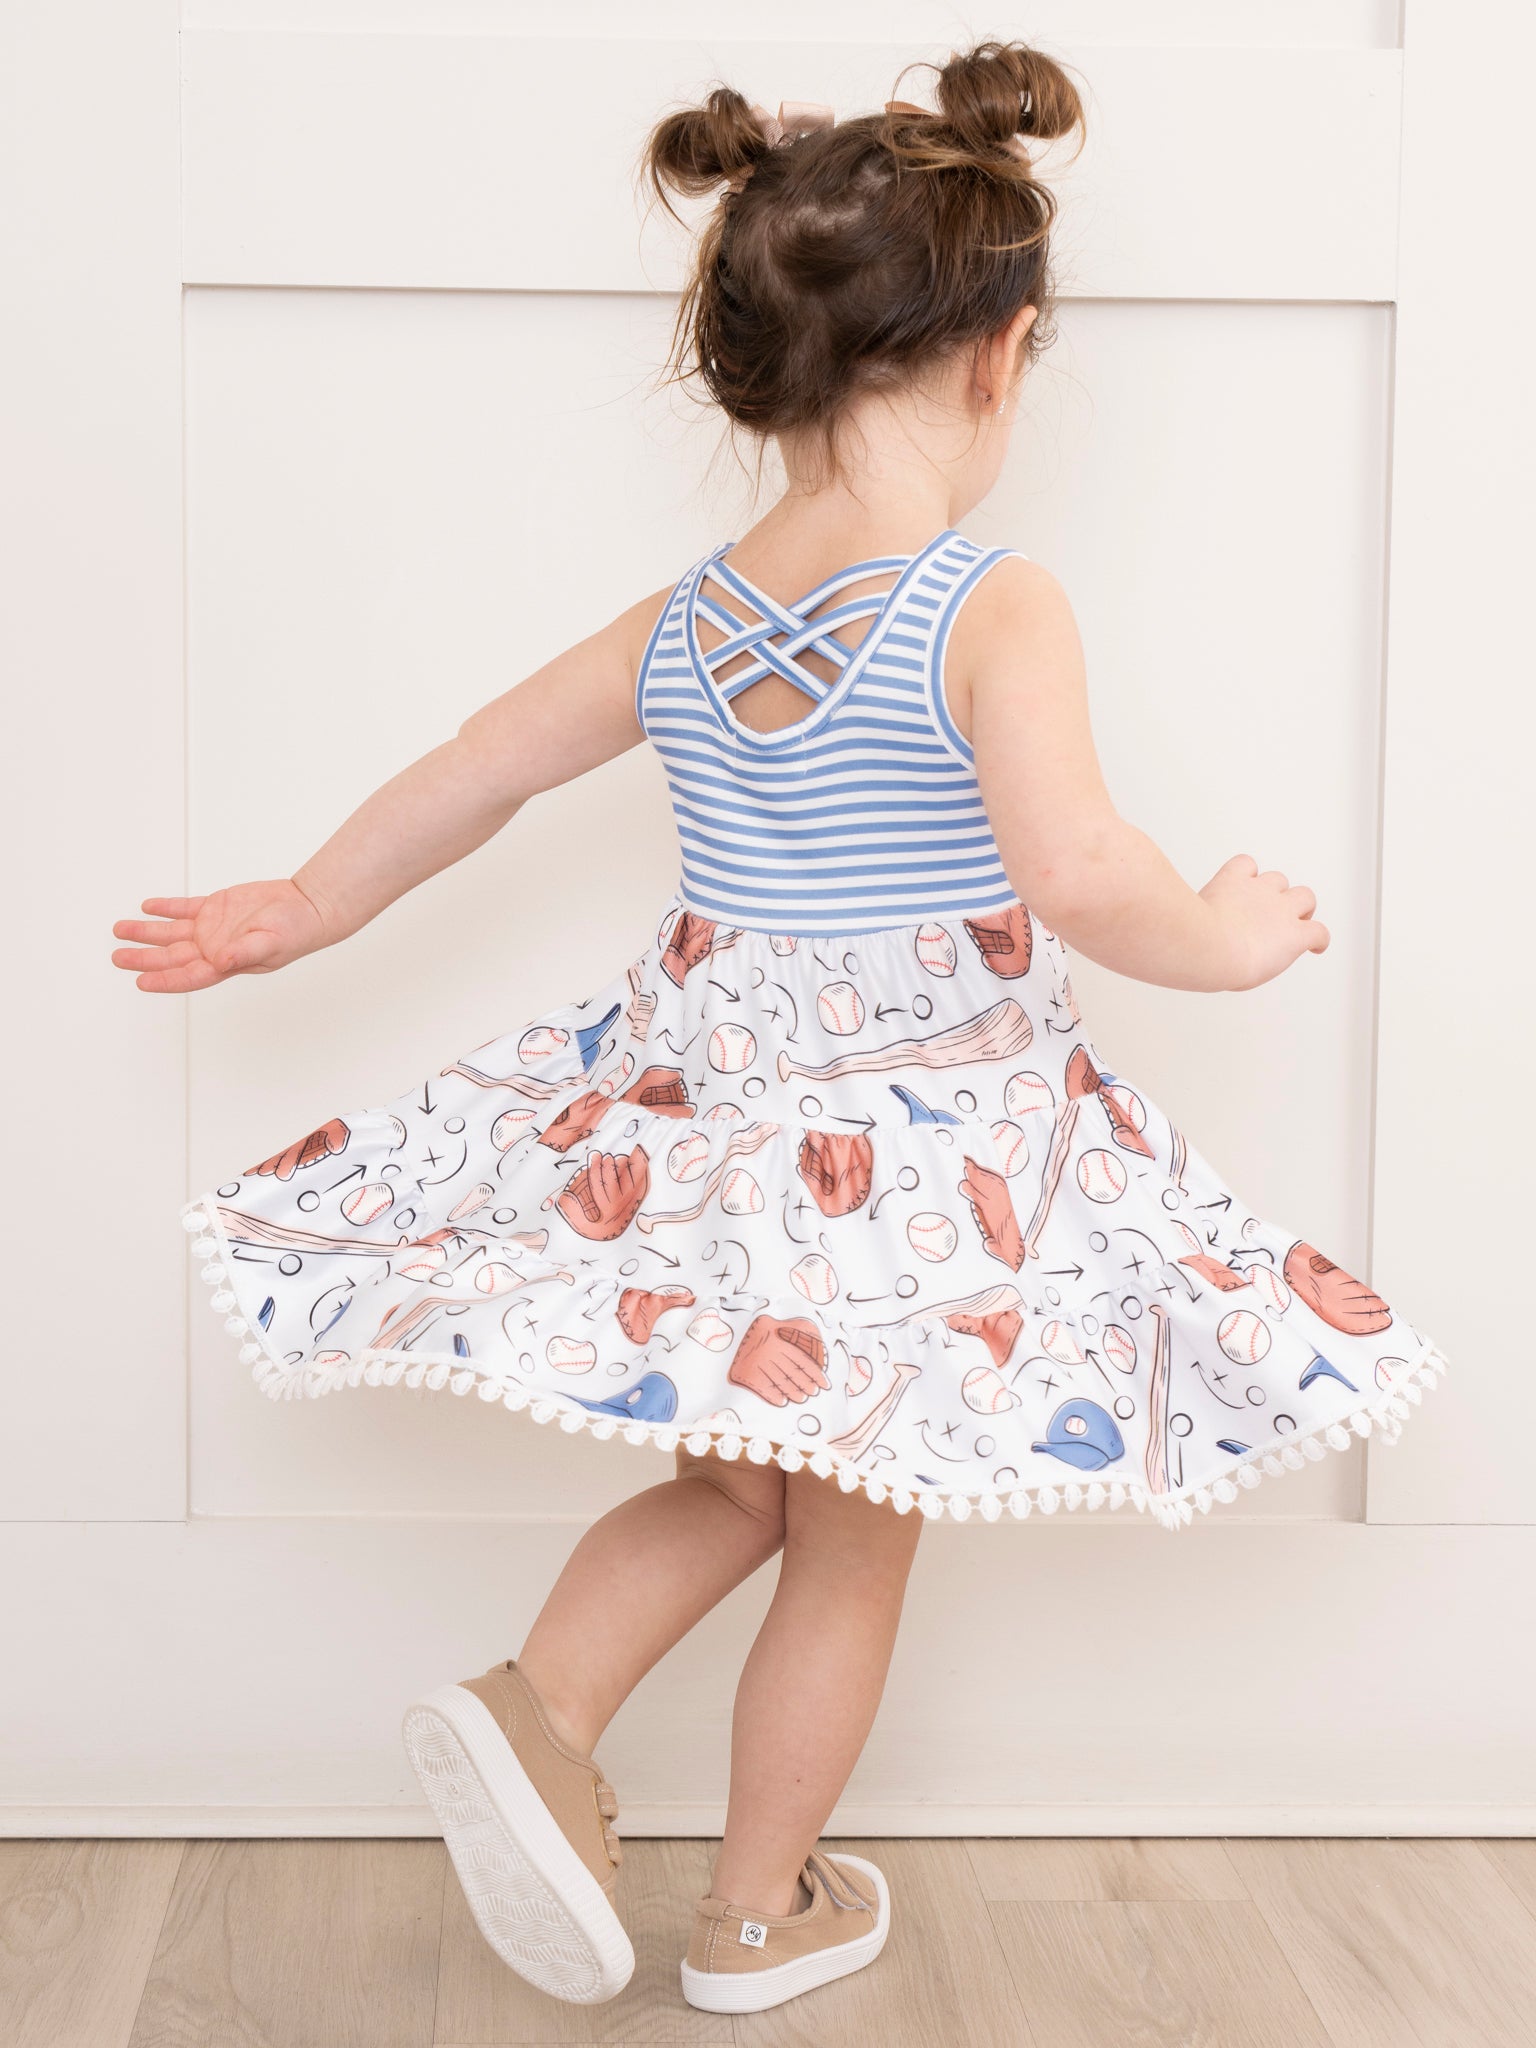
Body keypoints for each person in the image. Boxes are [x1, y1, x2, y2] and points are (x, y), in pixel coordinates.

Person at [112, 38, 1449, 2018]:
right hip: (916, 1164)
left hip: (720, 1124)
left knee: (738, 1483)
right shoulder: (988, 604)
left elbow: (483, 764)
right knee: (851, 1544)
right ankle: (756, 1912)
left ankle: (540, 1704)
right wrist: (1230, 936)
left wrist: (303, 904)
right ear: (999, 356)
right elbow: (1078, 868)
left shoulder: (691, 615)